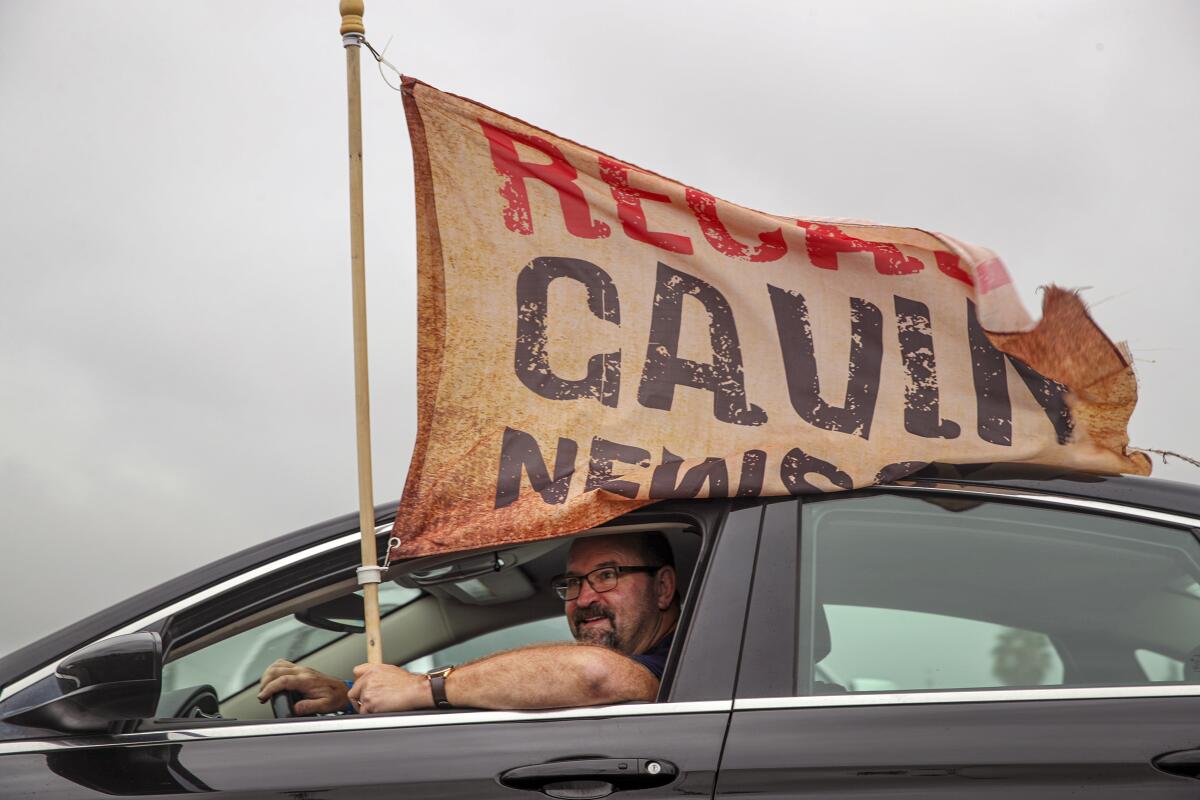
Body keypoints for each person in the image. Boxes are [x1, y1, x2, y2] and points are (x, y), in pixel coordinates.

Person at [257, 532, 679, 714]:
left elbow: (593, 674)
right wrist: (352, 695)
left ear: (662, 588)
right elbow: (509, 686)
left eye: (607, 575)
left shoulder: (687, 661)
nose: (585, 598)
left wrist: (420, 688)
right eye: (572, 582)